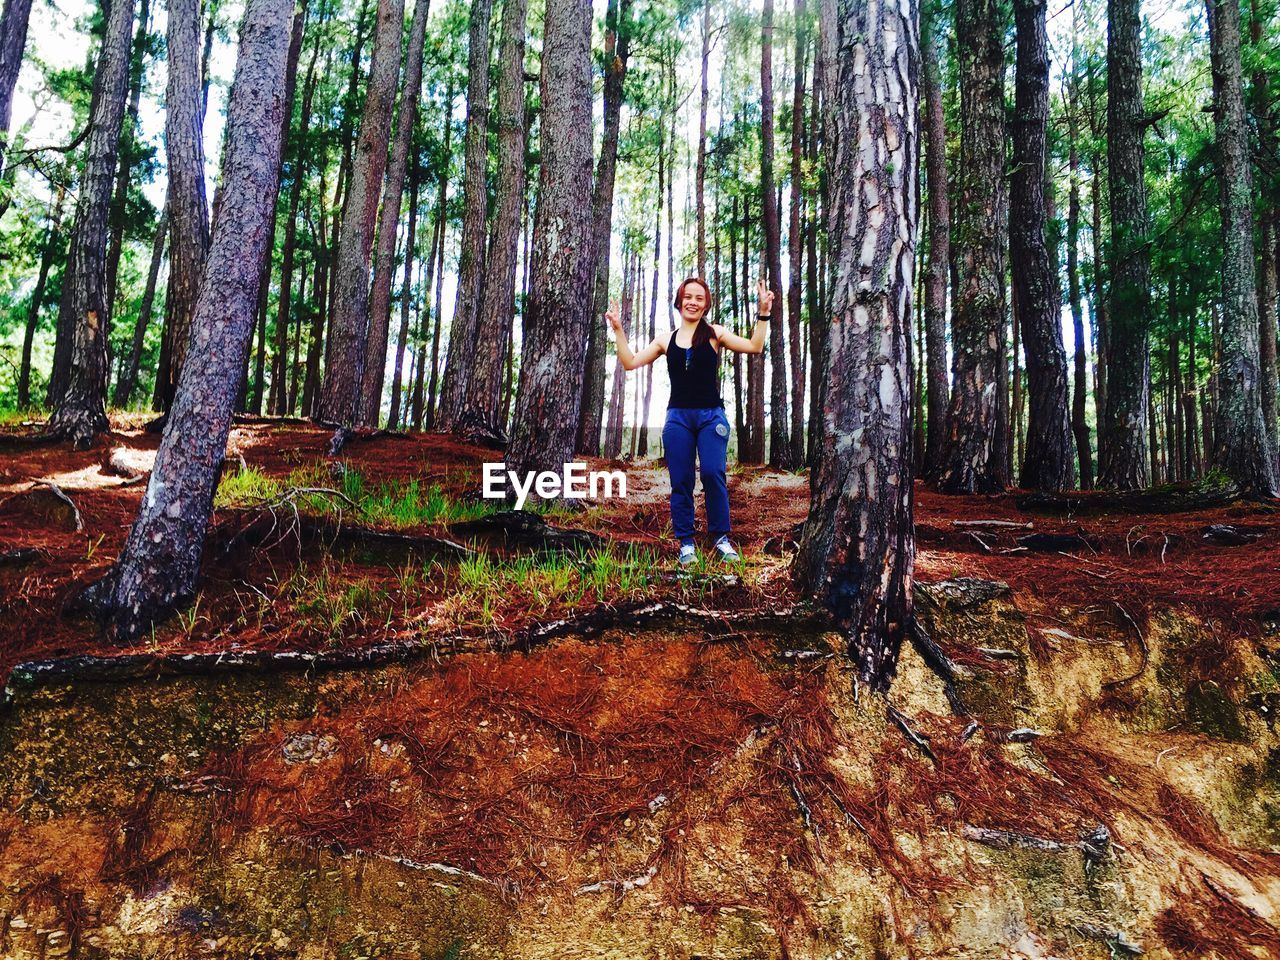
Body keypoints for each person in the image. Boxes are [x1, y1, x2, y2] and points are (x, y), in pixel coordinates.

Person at [606, 275, 773, 565]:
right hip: (678, 419)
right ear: (679, 301)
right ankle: (686, 543)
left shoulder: (715, 334)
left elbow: (755, 346)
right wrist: (618, 330)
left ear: (706, 304)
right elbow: (630, 362)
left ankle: (721, 538)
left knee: (712, 474)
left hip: (711, 416)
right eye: (688, 297)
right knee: (681, 481)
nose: (693, 302)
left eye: (699, 298)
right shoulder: (665, 340)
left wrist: (763, 313)